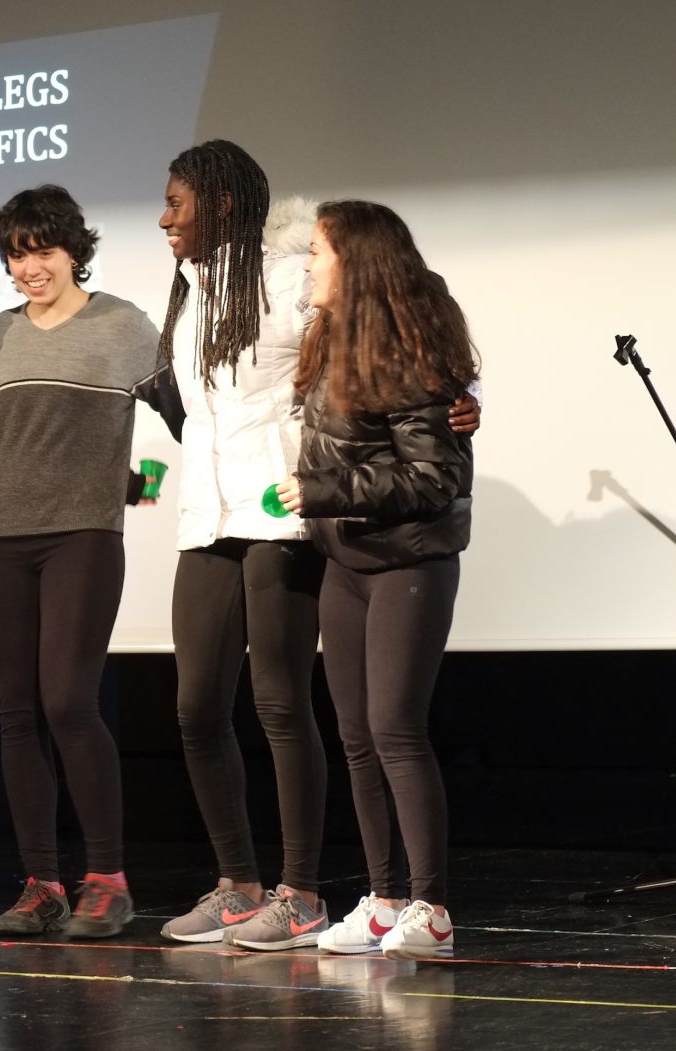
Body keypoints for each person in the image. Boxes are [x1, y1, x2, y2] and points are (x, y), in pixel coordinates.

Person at [148, 142, 483, 950]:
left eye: (176, 202)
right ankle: (238, 885)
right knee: (196, 708)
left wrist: (462, 398)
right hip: (208, 514)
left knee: (287, 705)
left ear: (223, 203)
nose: (163, 219)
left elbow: (394, 312)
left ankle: (303, 893)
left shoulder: (290, 279)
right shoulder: (188, 292)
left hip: (287, 514)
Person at [275, 199, 476, 962]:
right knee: (356, 737)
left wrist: (325, 492)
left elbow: (432, 478)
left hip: (408, 562)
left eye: (318, 251)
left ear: (356, 262)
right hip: (347, 561)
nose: (308, 265)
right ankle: (386, 902)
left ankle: (433, 909)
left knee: (395, 729)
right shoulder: (329, 339)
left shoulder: (412, 353)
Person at [0, 185, 161, 938]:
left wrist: (142, 481)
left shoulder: (123, 324)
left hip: (82, 533)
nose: (31, 268)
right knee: (16, 713)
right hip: (1, 535)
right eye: (17, 255)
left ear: (74, 250)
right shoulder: (3, 330)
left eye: (43, 251)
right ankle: (41, 883)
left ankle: (108, 880)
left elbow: (192, 413)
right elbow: (14, 435)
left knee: (67, 703)